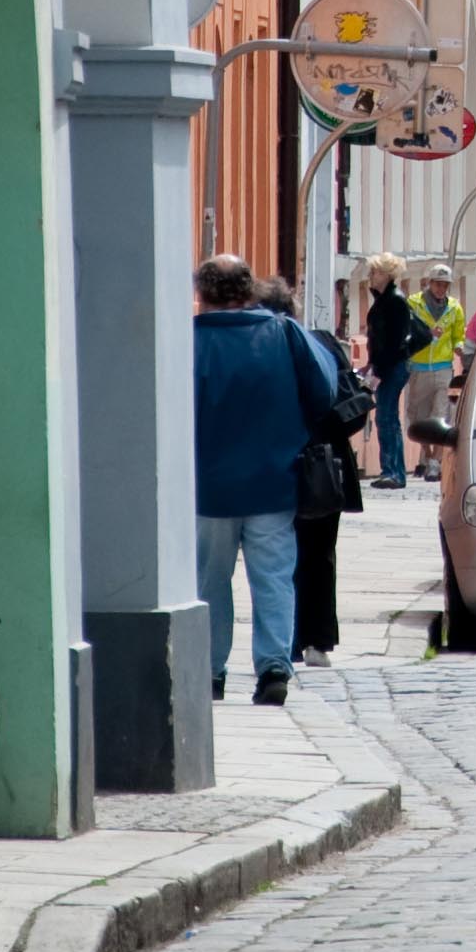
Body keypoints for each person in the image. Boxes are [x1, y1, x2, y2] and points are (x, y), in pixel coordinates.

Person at [194, 259, 337, 707]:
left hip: (206, 484)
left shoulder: (187, 340)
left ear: (203, 292)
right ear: (249, 289)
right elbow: (324, 390)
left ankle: (209, 670)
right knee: (273, 577)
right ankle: (273, 666)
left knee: (208, 581)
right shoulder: (284, 334)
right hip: (274, 478)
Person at [267, 259, 360, 664]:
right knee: (320, 554)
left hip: (280, 463)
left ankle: (285, 639)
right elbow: (350, 403)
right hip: (326, 465)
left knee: (278, 557)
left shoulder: (265, 347)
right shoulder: (323, 341)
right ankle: (318, 640)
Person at [404, 263, 466, 480]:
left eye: (445, 285)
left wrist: (459, 345)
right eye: (438, 284)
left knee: (440, 417)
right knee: (417, 419)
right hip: (418, 368)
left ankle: (434, 463)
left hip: (443, 368)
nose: (441, 289)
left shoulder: (455, 308)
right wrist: (425, 333)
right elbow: (406, 330)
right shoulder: (414, 303)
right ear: (429, 283)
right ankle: (427, 454)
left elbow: (459, 334)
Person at [360, 259, 417, 489]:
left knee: (387, 418)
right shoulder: (383, 299)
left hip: (393, 367)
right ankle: (391, 471)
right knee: (385, 417)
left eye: (376, 272)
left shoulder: (395, 301)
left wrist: (378, 369)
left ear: (387, 274)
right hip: (384, 366)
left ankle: (394, 472)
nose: (371, 275)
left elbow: (394, 341)